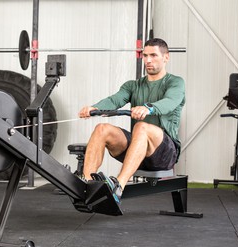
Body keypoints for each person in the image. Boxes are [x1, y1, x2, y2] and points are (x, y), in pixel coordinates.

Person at [78, 38, 185, 204]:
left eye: (154, 55)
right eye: (145, 55)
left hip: (164, 153)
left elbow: (170, 102)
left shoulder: (175, 82)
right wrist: (94, 108)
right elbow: (115, 100)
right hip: (137, 150)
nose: (148, 60)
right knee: (102, 128)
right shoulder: (133, 85)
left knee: (142, 127)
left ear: (166, 57)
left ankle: (118, 186)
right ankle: (86, 184)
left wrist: (148, 108)